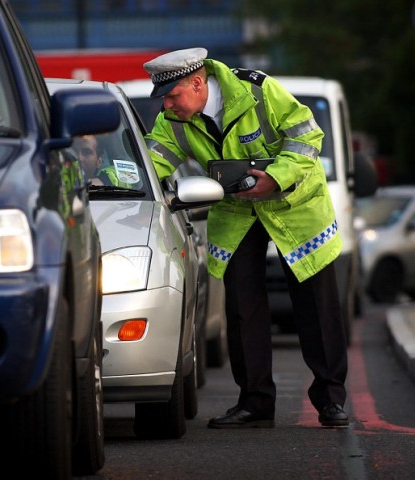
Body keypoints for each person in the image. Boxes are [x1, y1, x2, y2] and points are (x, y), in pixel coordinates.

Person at [142, 47, 349, 429]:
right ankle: (255, 403)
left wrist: (277, 176)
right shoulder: (171, 120)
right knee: (242, 309)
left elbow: (306, 137)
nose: (168, 106)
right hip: (237, 212)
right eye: (164, 99)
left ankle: (331, 399)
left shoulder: (258, 90)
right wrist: (113, 181)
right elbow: (151, 162)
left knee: (318, 308)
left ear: (198, 83)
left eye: (174, 96)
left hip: (295, 207)